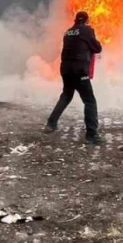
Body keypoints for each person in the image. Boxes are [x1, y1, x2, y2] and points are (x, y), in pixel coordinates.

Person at [44, 11, 104, 145]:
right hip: (79, 70)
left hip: (65, 70)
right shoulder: (87, 31)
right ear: (86, 20)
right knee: (89, 101)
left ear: (75, 20)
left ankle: (51, 123)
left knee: (66, 96)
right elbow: (97, 48)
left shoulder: (68, 32)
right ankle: (91, 135)